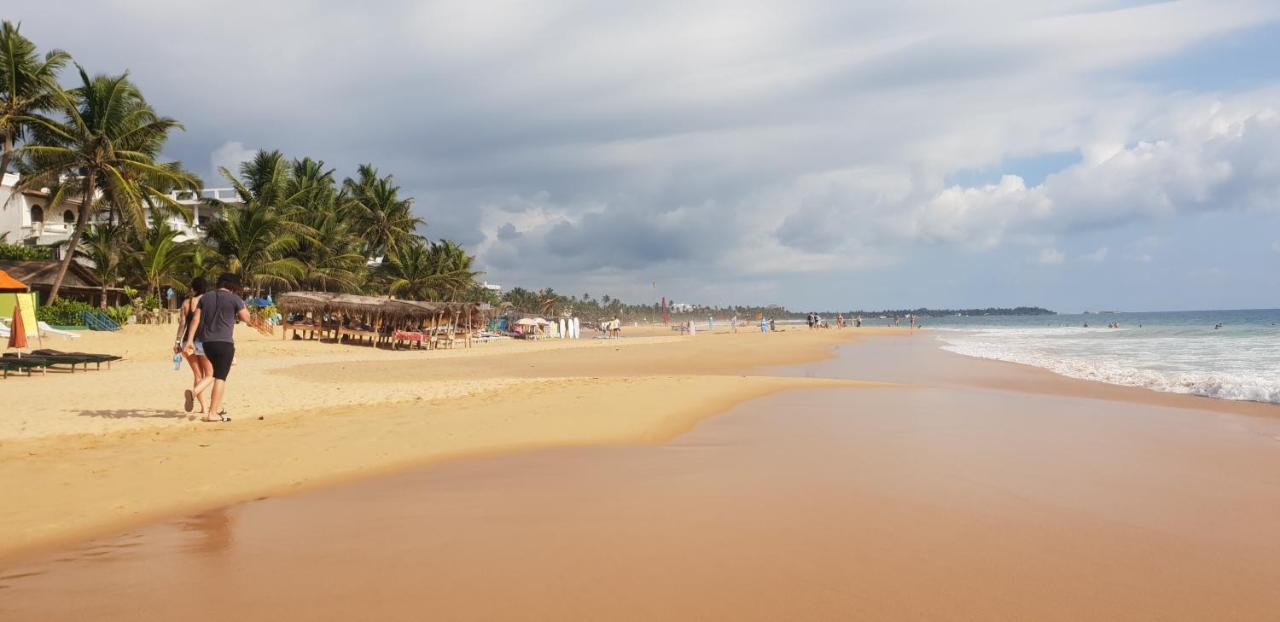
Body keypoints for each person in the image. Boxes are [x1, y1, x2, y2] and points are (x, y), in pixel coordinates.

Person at [183, 273, 251, 422]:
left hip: (207, 344)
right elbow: (247, 319)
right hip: (224, 343)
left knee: (214, 374)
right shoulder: (235, 299)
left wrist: (189, 341)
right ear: (232, 286)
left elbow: (195, 319)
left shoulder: (205, 298)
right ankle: (212, 413)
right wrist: (242, 305)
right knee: (220, 378)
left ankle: (207, 401)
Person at [174, 277, 213, 414]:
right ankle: (196, 397)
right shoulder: (208, 301)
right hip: (203, 342)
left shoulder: (186, 303)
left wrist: (177, 342)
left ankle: (203, 407)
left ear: (193, 288)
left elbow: (182, 324)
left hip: (186, 343)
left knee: (197, 375)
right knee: (209, 375)